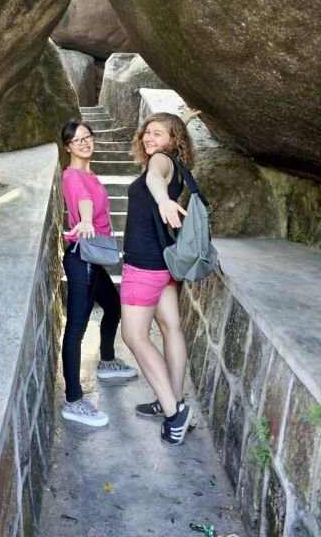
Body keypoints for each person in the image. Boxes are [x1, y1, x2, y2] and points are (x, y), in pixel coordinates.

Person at [120, 112, 196, 445]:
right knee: (170, 328)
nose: (149, 138)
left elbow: (154, 178)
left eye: (158, 134)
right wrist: (182, 121)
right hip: (164, 261)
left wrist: (164, 200)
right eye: (147, 132)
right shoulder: (176, 165)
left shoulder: (160, 162)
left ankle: (173, 412)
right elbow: (158, 173)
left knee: (134, 336)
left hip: (145, 263)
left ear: (173, 141)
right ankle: (174, 400)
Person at [60, 119, 137, 427]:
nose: (84, 143)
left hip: (91, 257)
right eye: (77, 140)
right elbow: (84, 201)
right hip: (81, 260)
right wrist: (86, 220)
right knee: (76, 329)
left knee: (113, 306)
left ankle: (106, 361)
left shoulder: (90, 174)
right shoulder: (73, 175)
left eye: (87, 137)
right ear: (67, 147)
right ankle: (73, 400)